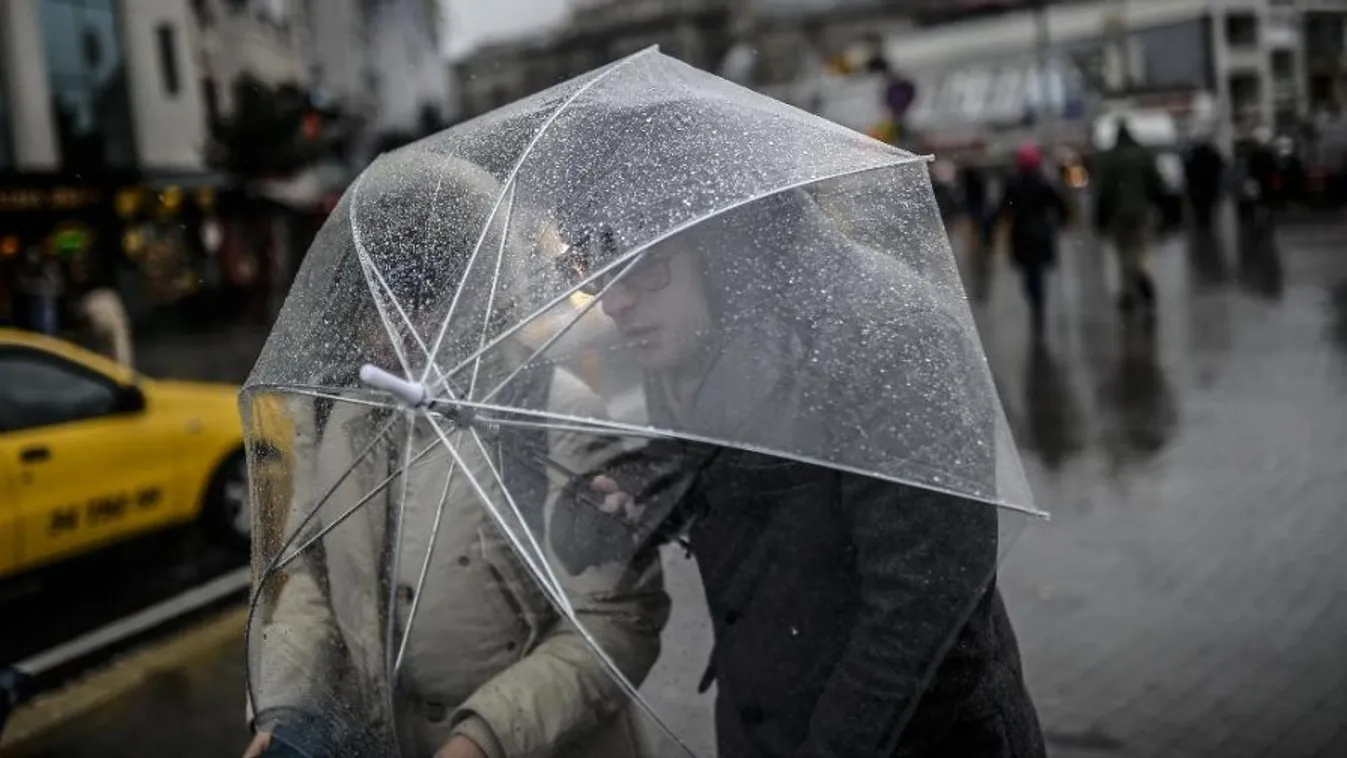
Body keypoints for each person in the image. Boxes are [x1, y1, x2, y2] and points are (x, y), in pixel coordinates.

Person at [550, 190, 1045, 758]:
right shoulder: (698, 335)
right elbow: (711, 468)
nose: (613, 303)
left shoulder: (887, 336)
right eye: (598, 268)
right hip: (764, 720)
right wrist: (628, 493)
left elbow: (928, 631)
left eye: (642, 267)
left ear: (715, 247)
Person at [243, 159, 670, 758]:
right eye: (376, 308)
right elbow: (314, 575)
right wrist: (283, 712)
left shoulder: (548, 411)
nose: (391, 333)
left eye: (418, 302)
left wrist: (484, 737)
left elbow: (616, 619)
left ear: (474, 295)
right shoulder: (347, 422)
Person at [996, 142, 1069, 339]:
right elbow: (1060, 204)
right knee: (1037, 272)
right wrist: (1062, 221)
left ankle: (1035, 300)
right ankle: (1039, 302)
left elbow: (1003, 209)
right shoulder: (1043, 182)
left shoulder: (1013, 184)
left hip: (1022, 235)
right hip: (1041, 232)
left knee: (1029, 274)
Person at [1094, 121, 1166, 321]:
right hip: (1141, 211)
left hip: (1118, 214)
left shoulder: (1109, 159)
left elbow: (1104, 190)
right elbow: (1156, 183)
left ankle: (1128, 291)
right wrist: (1162, 206)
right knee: (1142, 248)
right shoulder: (1142, 155)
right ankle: (1142, 276)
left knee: (1123, 253)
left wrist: (1100, 217)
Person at [1184, 136, 1226, 235]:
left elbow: (1187, 173)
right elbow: (1222, 166)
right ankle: (1207, 223)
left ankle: (1201, 223)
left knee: (1199, 207)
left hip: (1196, 188)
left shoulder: (1192, 158)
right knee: (1209, 206)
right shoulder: (1213, 156)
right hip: (1210, 186)